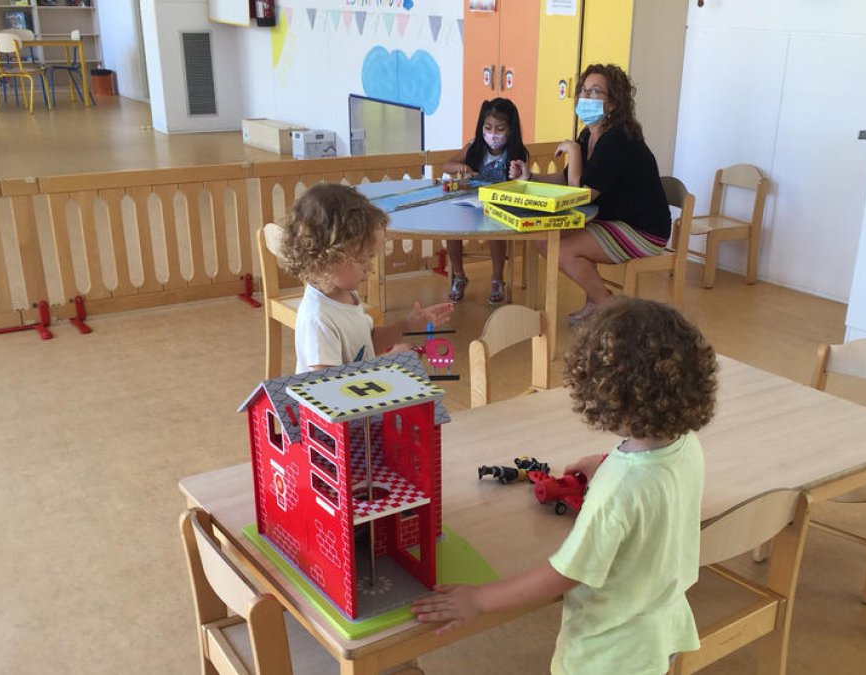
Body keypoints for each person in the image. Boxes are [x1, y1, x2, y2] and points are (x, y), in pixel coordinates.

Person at [412, 297, 718, 675]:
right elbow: (656, 478)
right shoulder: (686, 444)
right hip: (660, 631)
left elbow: (564, 572)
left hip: (607, 656)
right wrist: (605, 464)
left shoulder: (617, 494)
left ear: (610, 398)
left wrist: (479, 599)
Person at [512, 64, 672, 326]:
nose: (585, 97)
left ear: (613, 103)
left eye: (595, 92)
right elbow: (565, 180)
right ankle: (596, 301)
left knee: (562, 250)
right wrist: (529, 177)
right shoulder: (589, 134)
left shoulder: (617, 140)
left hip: (643, 230)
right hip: (611, 221)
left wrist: (574, 151)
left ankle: (609, 307)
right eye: (584, 91)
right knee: (543, 239)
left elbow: (580, 195)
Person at [263, 183, 453, 373]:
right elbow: (327, 384)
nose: (369, 267)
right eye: (362, 260)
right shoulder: (318, 319)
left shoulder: (346, 294)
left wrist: (406, 325)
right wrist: (386, 363)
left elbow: (365, 343)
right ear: (326, 259)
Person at [442, 97, 529, 305]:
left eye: (500, 129)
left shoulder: (516, 153)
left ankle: (497, 279)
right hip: (471, 201)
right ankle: (459, 275)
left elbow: (522, 185)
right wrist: (461, 169)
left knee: (495, 230)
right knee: (451, 229)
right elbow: (447, 165)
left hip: (498, 204)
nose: (493, 134)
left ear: (511, 130)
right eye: (488, 127)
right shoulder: (474, 148)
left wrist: (516, 176)